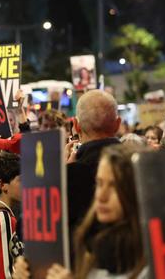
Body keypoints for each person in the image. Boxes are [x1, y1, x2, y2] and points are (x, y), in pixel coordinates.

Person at [13, 144, 147, 279]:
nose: (101, 196)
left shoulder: (152, 257)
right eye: (99, 183)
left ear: (136, 190)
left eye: (114, 186)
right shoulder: (86, 241)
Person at [66, 90, 121, 229]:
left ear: (76, 126)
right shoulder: (138, 165)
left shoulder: (67, 176)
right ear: (118, 124)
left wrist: (64, 173)